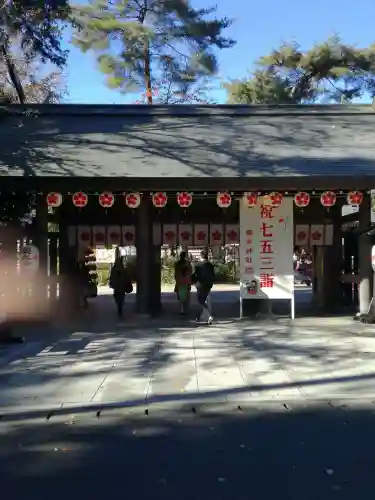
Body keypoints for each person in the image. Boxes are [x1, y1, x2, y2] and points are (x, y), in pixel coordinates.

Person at [192, 249, 215, 324]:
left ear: (201, 255)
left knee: (200, 301)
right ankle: (198, 317)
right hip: (208, 285)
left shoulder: (198, 265)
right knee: (202, 301)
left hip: (200, 285)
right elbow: (213, 275)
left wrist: (192, 280)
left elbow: (195, 275)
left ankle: (209, 316)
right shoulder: (211, 265)